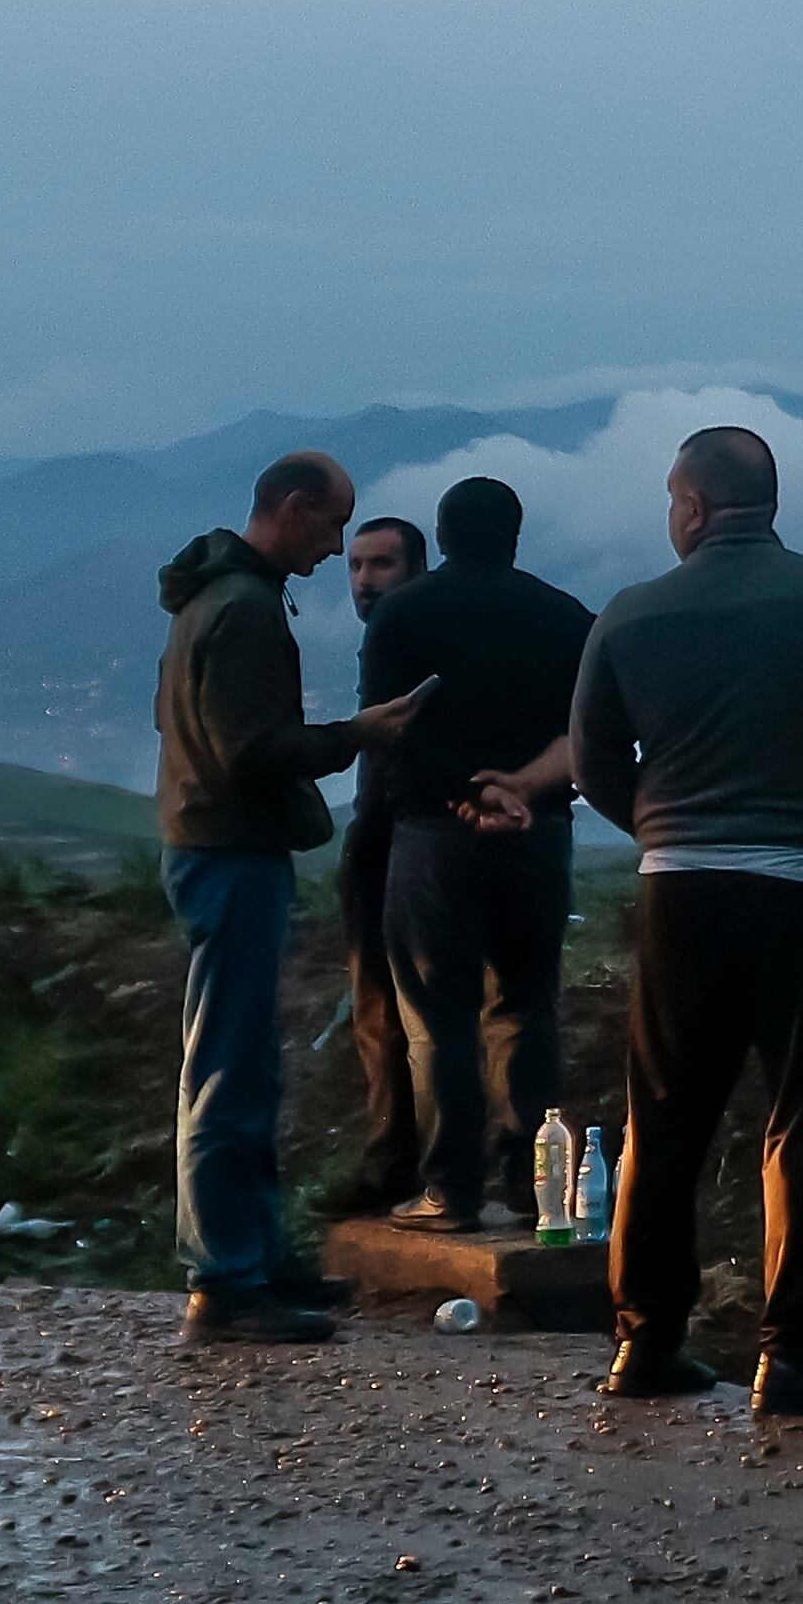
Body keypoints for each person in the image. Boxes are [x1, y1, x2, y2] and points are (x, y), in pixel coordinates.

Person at [474, 426, 803, 1415]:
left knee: (665, 1120)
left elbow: (595, 764)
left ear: (688, 507)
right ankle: (799, 1355)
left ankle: (644, 1345)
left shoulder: (633, 614)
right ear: (767, 503)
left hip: (681, 893)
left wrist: (662, 825)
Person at [154, 453, 426, 1347]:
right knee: (228, 1065)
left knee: (243, 1061)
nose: (335, 549)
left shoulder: (218, 598)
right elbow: (251, 748)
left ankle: (255, 1256)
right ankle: (226, 1278)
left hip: (215, 843)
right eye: (330, 526)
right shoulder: (241, 609)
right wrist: (359, 734)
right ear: (295, 506)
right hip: (230, 848)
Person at [360, 477, 596, 1232]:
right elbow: (591, 732)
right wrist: (517, 792)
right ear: (516, 534)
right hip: (539, 833)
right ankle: (537, 1191)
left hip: (433, 835)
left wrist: (465, 792)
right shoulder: (566, 616)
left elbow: (390, 731)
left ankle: (450, 1190)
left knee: (440, 1017)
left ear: (443, 533)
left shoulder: (403, 613)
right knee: (527, 1006)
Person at [315, 514, 431, 1219]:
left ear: (417, 567)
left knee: (403, 1006)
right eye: (356, 566)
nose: (363, 579)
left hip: (408, 829)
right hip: (382, 829)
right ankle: (395, 1156)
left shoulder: (411, 635)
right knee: (379, 1007)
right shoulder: (383, 639)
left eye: (381, 564)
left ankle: (405, 1160)